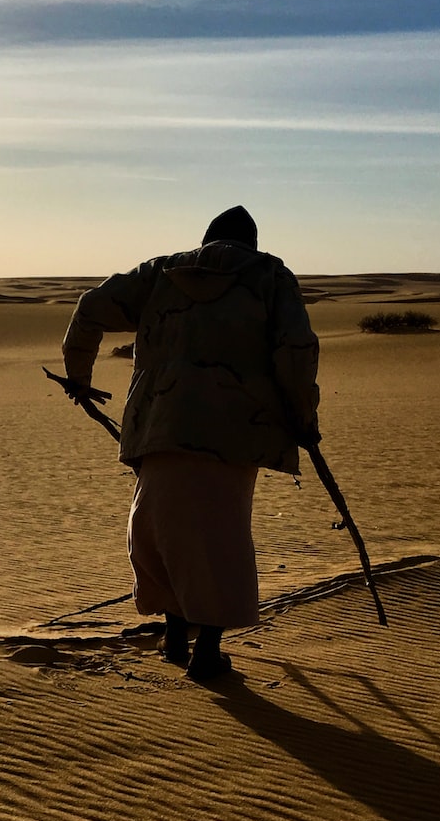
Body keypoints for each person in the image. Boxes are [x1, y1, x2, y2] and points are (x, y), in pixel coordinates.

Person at [60, 205, 320, 682]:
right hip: (235, 432)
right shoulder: (269, 276)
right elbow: (296, 351)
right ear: (253, 244)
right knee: (220, 537)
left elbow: (89, 307)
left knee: (164, 531)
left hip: (158, 425)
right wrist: (304, 418)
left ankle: (177, 637)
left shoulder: (162, 272)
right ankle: (205, 652)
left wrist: (79, 377)